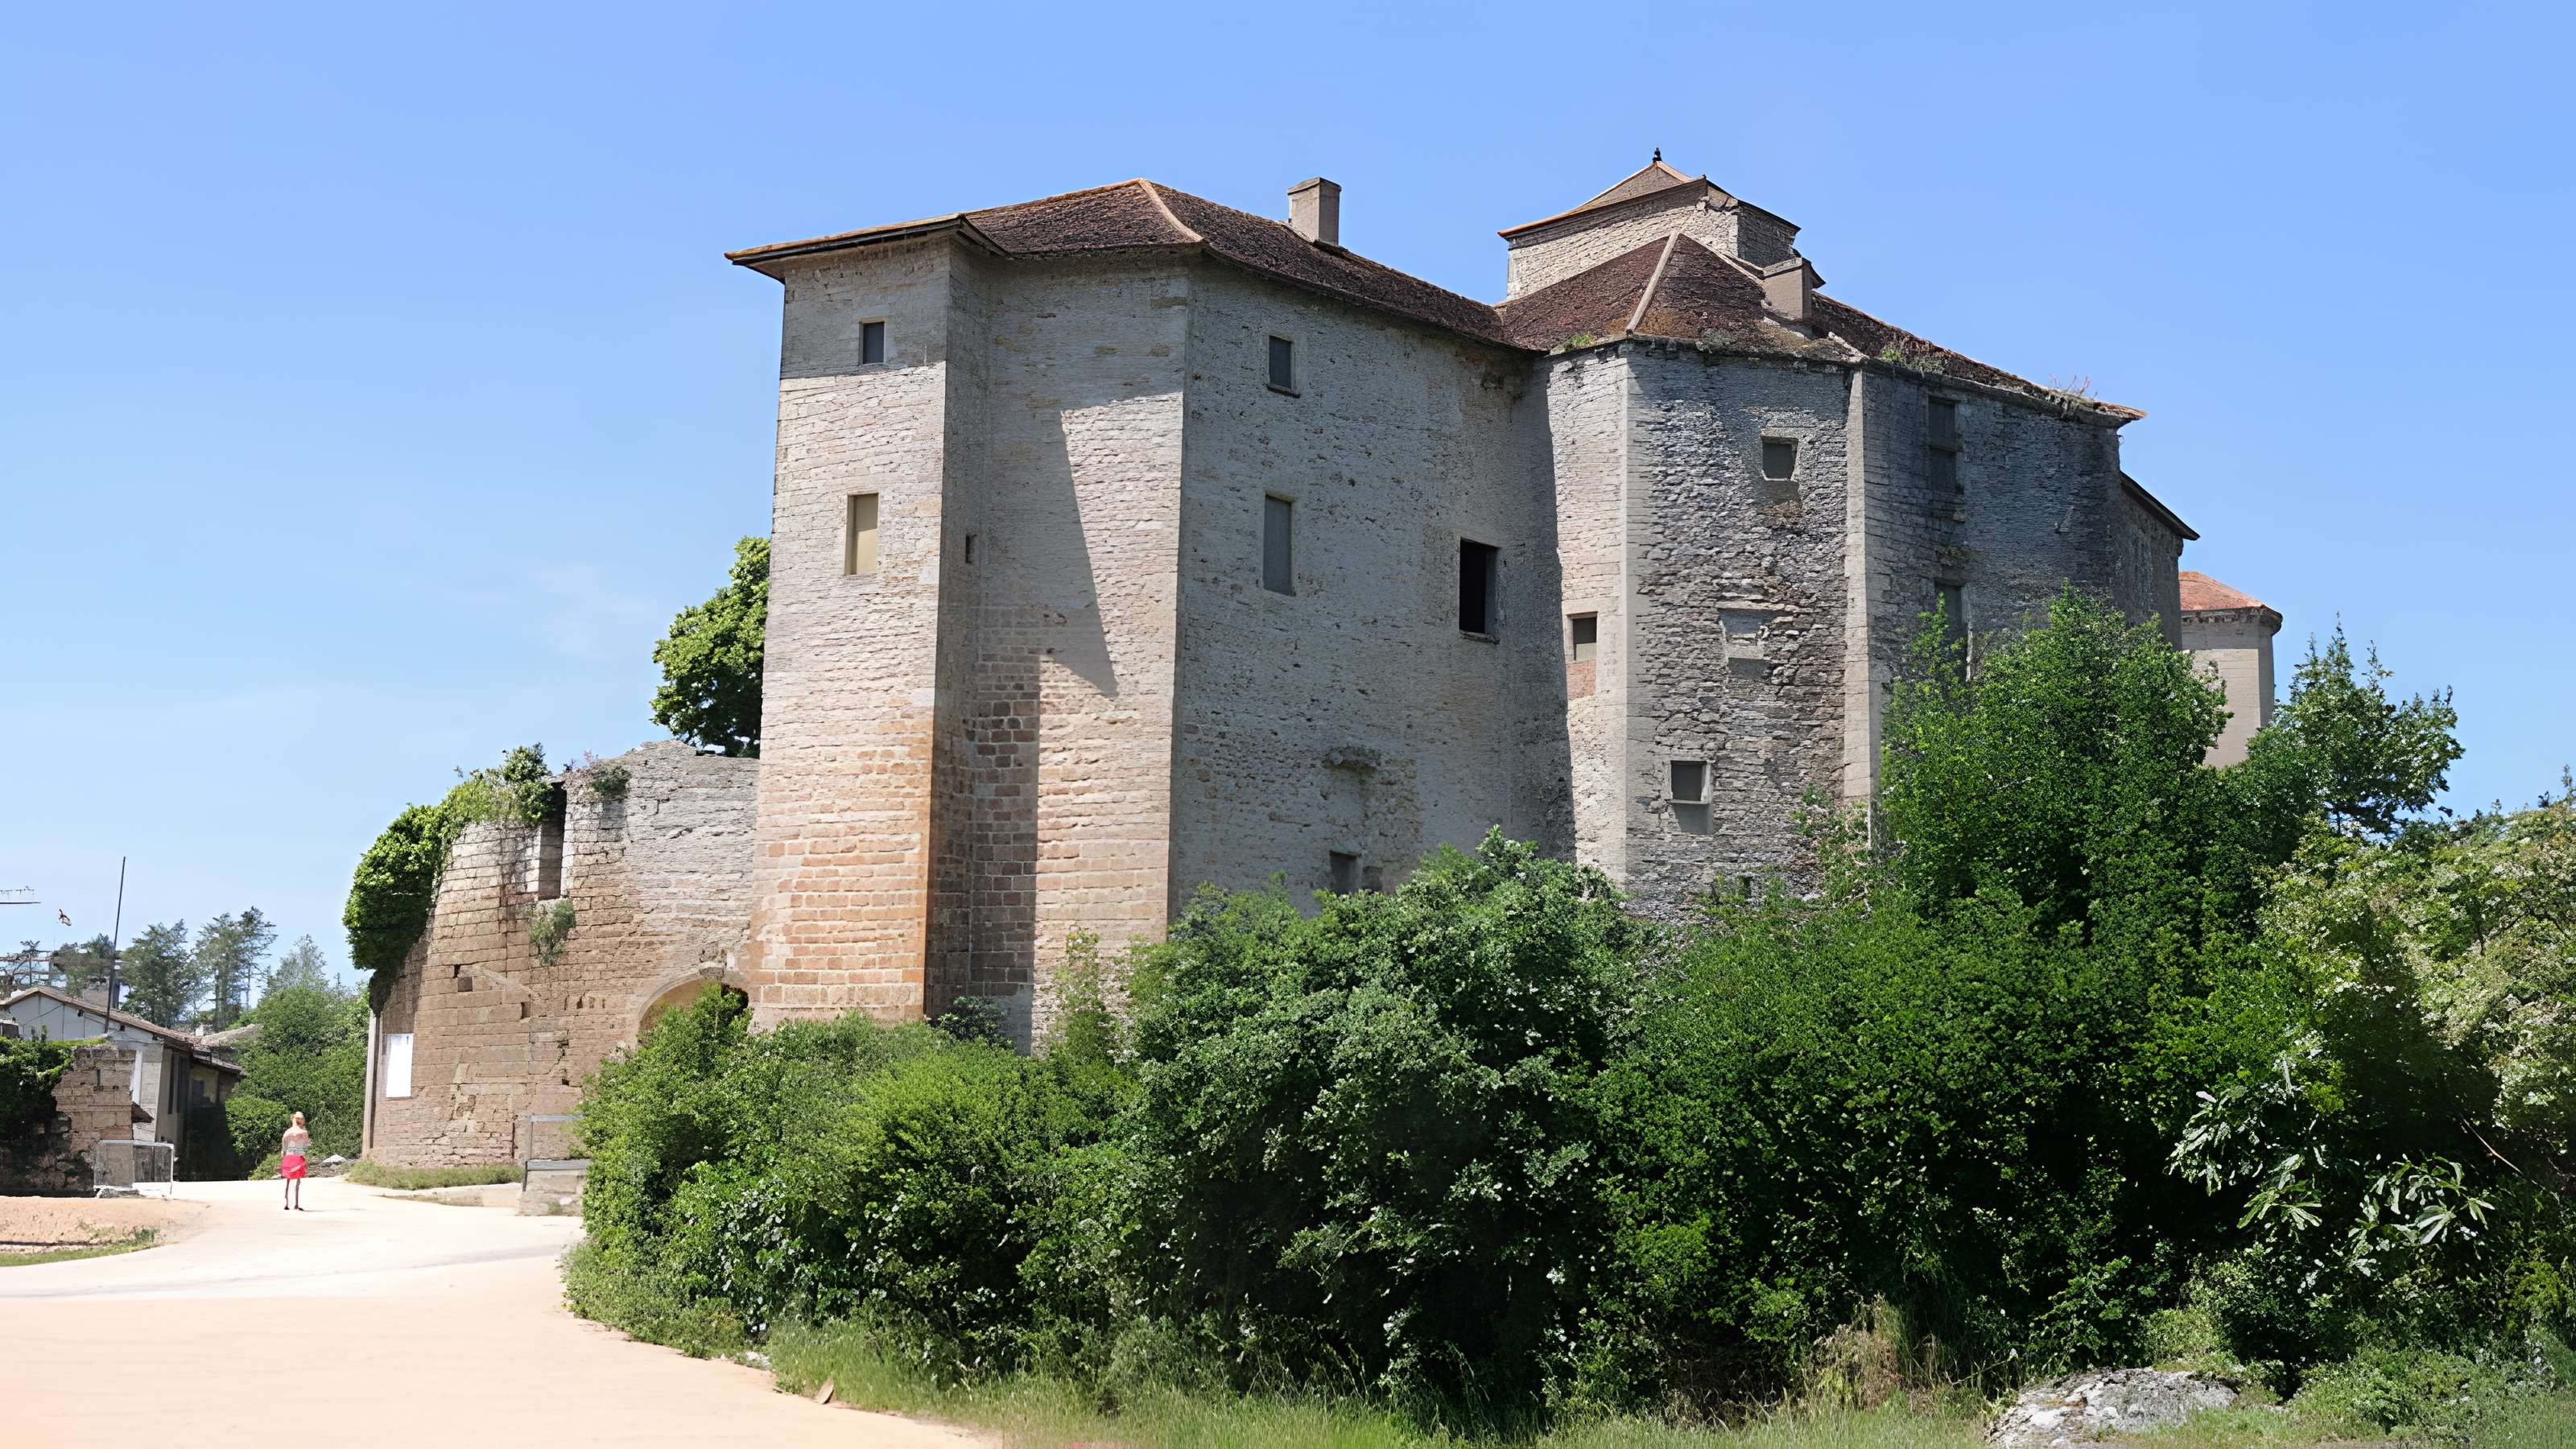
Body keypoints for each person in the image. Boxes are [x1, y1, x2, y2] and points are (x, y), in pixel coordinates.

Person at [279, 1112, 312, 1211]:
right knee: (297, 1181)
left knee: (288, 1180)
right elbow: (306, 1144)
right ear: (301, 1121)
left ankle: (287, 1203)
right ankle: (296, 1204)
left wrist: (283, 1152)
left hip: (289, 1157)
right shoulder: (303, 1132)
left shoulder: (287, 1132)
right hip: (298, 1157)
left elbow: (284, 1145)